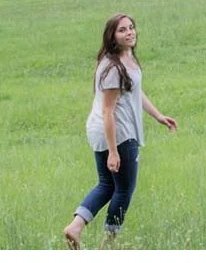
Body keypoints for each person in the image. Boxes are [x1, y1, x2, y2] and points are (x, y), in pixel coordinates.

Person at [63, 13, 178, 250]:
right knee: (124, 189)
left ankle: (76, 227)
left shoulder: (123, 60)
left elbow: (135, 91)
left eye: (131, 28)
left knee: (106, 184)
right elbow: (108, 111)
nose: (130, 32)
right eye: (122, 30)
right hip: (117, 132)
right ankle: (108, 246)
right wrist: (114, 152)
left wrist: (158, 116)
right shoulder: (113, 67)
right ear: (112, 37)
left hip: (103, 130)